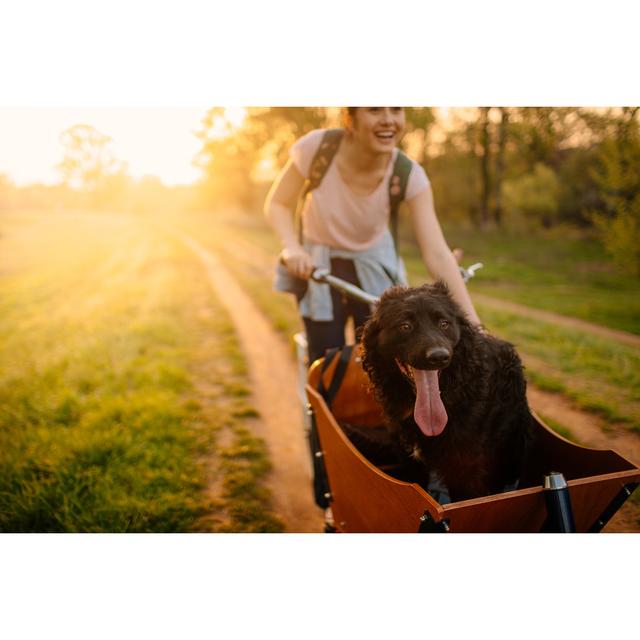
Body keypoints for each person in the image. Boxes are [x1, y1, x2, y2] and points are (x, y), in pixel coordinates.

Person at [264, 107, 482, 364]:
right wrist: (292, 248)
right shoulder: (317, 149)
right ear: (350, 120)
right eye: (375, 109)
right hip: (318, 262)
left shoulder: (409, 174)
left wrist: (476, 330)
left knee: (383, 360)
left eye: (396, 109)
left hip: (375, 263)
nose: (388, 119)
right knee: (326, 360)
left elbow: (436, 253)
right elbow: (277, 204)